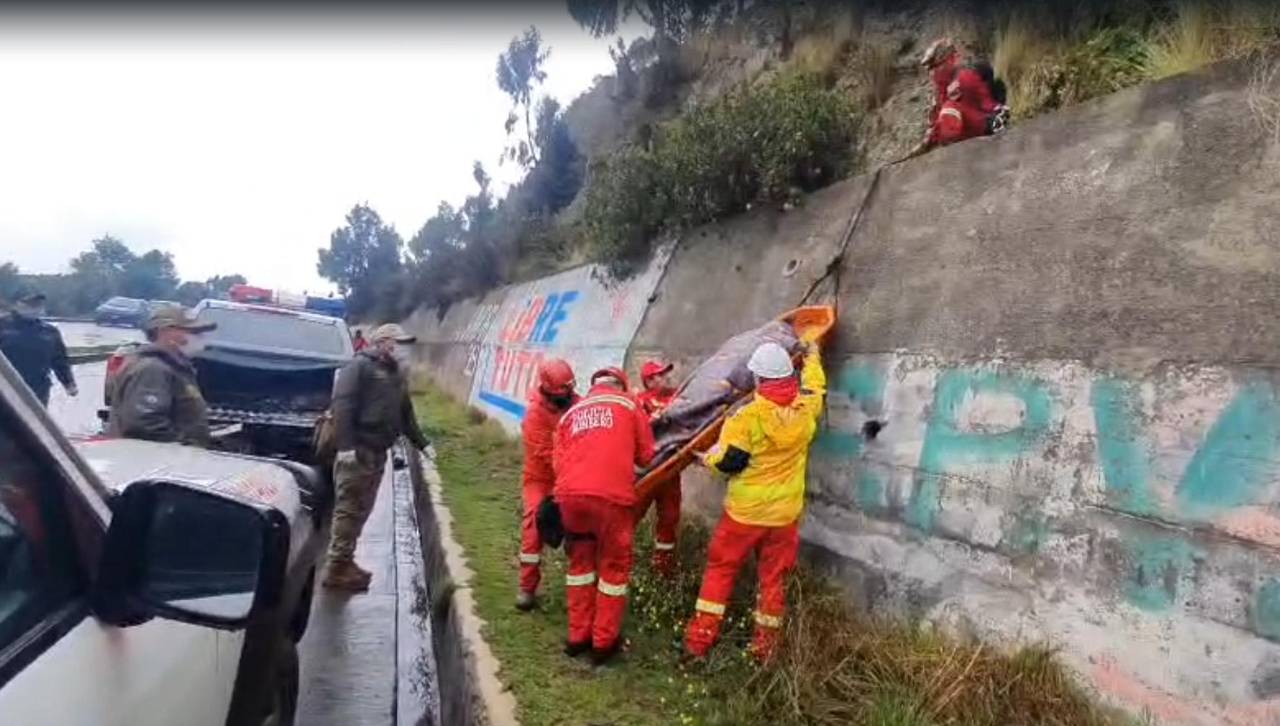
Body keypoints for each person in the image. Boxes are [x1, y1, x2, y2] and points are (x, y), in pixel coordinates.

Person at [683, 337, 826, 662]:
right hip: (784, 517)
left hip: (744, 516)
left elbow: (729, 462)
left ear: (759, 379)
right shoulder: (806, 408)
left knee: (720, 571)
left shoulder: (746, 418)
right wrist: (814, 356)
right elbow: (816, 386)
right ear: (789, 375)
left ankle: (698, 644)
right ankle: (764, 651)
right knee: (773, 580)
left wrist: (706, 459)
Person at [553, 366, 655, 665]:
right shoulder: (629, 404)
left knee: (580, 566)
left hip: (571, 498)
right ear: (621, 384)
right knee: (613, 568)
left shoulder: (571, 413)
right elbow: (646, 456)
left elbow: (558, 462)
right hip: (612, 499)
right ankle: (603, 643)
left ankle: (577, 637)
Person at [324, 323, 431, 591]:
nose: (403, 349)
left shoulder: (395, 373)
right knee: (349, 509)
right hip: (358, 451)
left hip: (377, 453)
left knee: (362, 509)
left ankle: (345, 560)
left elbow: (405, 414)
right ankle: (336, 568)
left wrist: (423, 444)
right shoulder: (360, 366)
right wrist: (345, 446)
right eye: (399, 343)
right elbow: (342, 406)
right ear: (383, 343)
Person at [516, 357, 579, 611]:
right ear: (548, 390)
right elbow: (545, 454)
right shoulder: (535, 415)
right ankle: (527, 587)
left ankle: (581, 585)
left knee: (582, 527)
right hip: (541, 479)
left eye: (570, 389)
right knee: (533, 527)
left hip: (570, 475)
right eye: (564, 391)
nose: (569, 395)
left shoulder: (577, 403)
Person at [107, 305, 215, 446]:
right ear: (165, 332)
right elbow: (145, 425)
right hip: (152, 456)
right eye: (193, 331)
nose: (201, 337)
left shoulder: (174, 367)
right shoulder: (153, 369)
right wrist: (184, 446)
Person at [909, 38, 1009, 156]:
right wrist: (924, 145)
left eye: (937, 66)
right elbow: (934, 122)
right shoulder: (940, 91)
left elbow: (988, 105)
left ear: (951, 60)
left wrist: (996, 117)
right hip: (966, 136)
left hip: (980, 132)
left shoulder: (964, 78)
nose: (933, 73)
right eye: (930, 69)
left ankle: (955, 152)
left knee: (949, 109)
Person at [634, 359, 682, 576]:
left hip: (671, 470)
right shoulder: (639, 401)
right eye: (659, 375)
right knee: (633, 514)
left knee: (670, 518)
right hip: (648, 470)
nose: (665, 378)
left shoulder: (678, 397)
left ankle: (663, 567)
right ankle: (616, 557)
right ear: (649, 380)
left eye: (665, 373)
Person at [0, 287, 77, 406]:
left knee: (32, 418)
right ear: (16, 304)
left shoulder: (49, 332)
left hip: (38, 391)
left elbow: (60, 360)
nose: (34, 307)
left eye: (38, 304)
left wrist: (69, 383)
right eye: (30, 304)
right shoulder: (3, 326)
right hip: (5, 390)